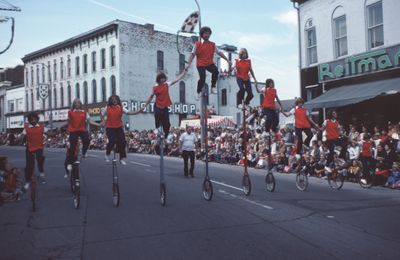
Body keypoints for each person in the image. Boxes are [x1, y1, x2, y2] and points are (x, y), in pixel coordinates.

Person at [185, 26, 231, 100]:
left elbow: (219, 52)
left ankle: (213, 87)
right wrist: (188, 64)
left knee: (216, 71)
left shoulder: (212, 44)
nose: (207, 35)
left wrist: (227, 60)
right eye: (205, 33)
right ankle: (198, 91)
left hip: (209, 63)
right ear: (202, 35)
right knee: (202, 78)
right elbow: (192, 54)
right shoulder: (197, 44)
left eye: (208, 34)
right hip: (200, 64)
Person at [143, 70, 187, 139]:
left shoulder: (167, 84)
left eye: (164, 78)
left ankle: (166, 134)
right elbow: (151, 97)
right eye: (161, 78)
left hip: (164, 106)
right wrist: (145, 105)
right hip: (157, 105)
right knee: (157, 116)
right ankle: (157, 128)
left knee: (167, 123)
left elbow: (177, 80)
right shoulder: (155, 87)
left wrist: (184, 72)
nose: (163, 79)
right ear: (159, 79)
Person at [101, 95, 144, 165]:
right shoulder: (107, 108)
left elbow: (129, 112)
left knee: (122, 142)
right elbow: (101, 114)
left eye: (115, 99)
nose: (114, 101)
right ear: (111, 101)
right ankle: (107, 154)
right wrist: (103, 121)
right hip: (110, 127)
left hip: (118, 127)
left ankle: (121, 158)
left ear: (117, 100)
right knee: (112, 141)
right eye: (113, 99)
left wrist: (138, 111)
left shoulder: (121, 107)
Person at [65, 98, 101, 169]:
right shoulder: (70, 112)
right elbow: (68, 122)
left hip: (82, 129)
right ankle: (70, 163)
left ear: (80, 104)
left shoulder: (84, 112)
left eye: (78, 102)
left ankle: (84, 152)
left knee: (87, 140)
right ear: (74, 104)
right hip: (73, 130)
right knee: (72, 147)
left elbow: (89, 121)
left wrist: (98, 125)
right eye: (75, 103)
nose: (77, 104)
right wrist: (66, 129)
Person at [21, 112, 49, 187]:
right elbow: (22, 135)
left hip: (39, 147)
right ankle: (27, 180)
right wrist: (21, 139)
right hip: (29, 147)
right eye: (31, 119)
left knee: (40, 158)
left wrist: (54, 133)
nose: (33, 121)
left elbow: (49, 132)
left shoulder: (42, 127)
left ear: (37, 119)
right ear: (29, 120)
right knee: (29, 165)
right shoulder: (26, 128)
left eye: (34, 119)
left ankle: (41, 170)